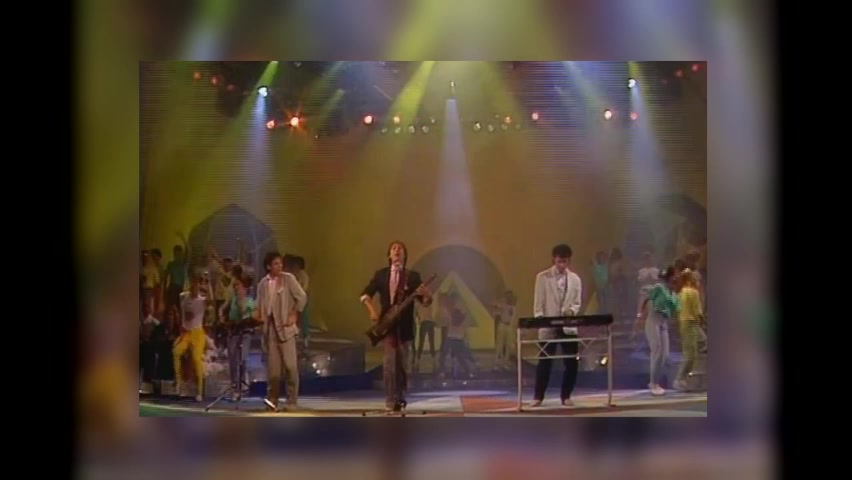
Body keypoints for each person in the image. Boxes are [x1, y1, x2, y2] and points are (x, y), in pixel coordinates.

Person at [359, 240, 433, 413]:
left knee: (402, 364)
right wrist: (372, 311)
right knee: (389, 363)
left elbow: (425, 302)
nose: (397, 250)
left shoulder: (412, 276)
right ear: (389, 255)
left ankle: (400, 397)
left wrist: (427, 294)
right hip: (387, 325)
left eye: (400, 248)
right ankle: (390, 399)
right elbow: (365, 294)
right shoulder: (381, 275)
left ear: (405, 255)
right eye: (394, 248)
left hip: (405, 326)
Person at [254, 251, 307, 412]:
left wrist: (294, 313)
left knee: (291, 367)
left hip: (285, 328)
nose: (279, 266)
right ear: (268, 266)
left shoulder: (288, 279)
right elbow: (259, 306)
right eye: (276, 264)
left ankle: (291, 401)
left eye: (280, 263)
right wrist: (257, 317)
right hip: (270, 329)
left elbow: (302, 297)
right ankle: (272, 400)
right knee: (273, 371)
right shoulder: (262, 284)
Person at [531, 244, 582, 407]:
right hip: (548, 325)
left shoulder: (575, 279)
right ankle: (538, 397)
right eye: (559, 261)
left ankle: (566, 396)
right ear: (554, 259)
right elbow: (538, 303)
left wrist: (571, 311)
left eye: (565, 261)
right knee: (545, 362)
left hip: (568, 325)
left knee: (571, 362)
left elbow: (577, 302)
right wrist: (540, 319)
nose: (562, 264)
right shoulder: (542, 277)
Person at [636, 266, 680, 396]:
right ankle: (653, 383)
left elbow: (675, 312)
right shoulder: (659, 288)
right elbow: (646, 299)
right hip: (653, 319)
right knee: (657, 350)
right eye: (675, 274)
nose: (677, 277)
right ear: (670, 276)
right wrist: (640, 315)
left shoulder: (674, 295)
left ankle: (657, 381)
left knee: (665, 355)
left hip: (664, 323)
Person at [172, 274, 213, 401]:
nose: (194, 287)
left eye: (197, 285)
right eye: (192, 284)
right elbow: (180, 309)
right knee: (176, 352)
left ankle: (199, 392)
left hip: (197, 334)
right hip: (186, 333)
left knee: (196, 359)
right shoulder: (183, 296)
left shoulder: (202, 300)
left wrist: (209, 283)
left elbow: (211, 300)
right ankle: (179, 383)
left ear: (199, 286)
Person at [219, 276, 256, 401]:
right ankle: (234, 387)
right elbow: (222, 309)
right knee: (232, 361)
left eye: (238, 285)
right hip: (233, 332)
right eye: (234, 285)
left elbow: (245, 313)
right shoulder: (232, 299)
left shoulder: (250, 301)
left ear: (244, 287)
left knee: (242, 359)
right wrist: (222, 317)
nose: (236, 288)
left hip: (245, 333)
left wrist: (241, 301)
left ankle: (242, 385)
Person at [673, 269, 703, 391]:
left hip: (684, 322)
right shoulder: (693, 292)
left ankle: (682, 379)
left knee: (691, 353)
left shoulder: (681, 293)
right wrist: (703, 322)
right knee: (690, 354)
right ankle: (679, 379)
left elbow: (677, 310)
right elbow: (698, 312)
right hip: (690, 322)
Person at [491, 289, 517, 370]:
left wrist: (512, 328)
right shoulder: (503, 304)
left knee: (508, 346)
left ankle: (506, 363)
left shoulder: (514, 307)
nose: (508, 297)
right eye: (507, 296)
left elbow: (513, 318)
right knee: (499, 345)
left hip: (509, 326)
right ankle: (497, 363)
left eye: (510, 296)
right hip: (502, 325)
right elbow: (494, 305)